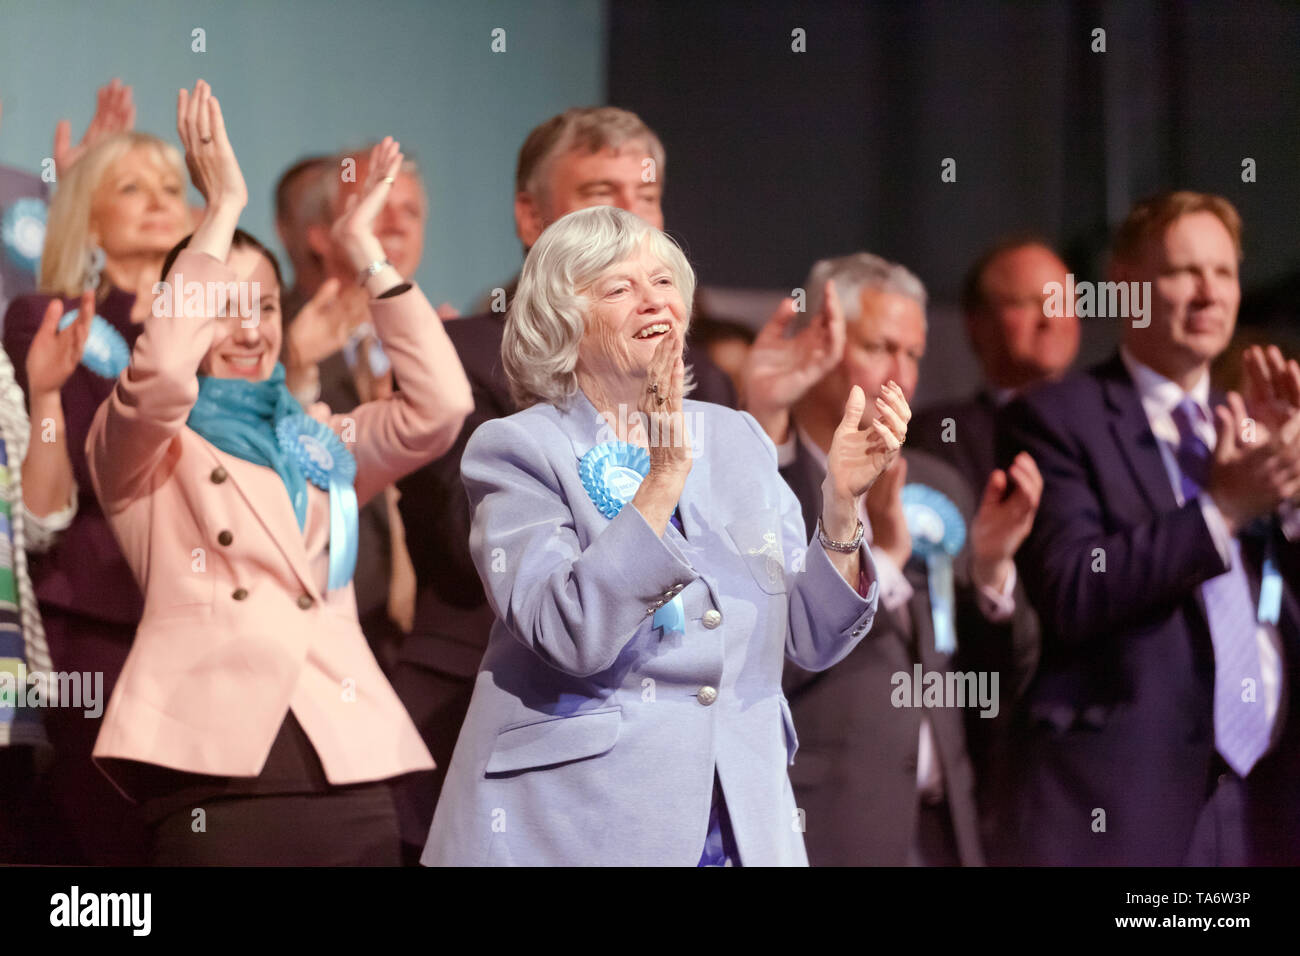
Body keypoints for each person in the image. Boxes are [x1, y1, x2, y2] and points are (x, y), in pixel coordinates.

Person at [422, 205, 905, 866]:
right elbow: (570, 631)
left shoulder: (736, 439)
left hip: (742, 818)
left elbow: (816, 639)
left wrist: (843, 505)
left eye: (664, 283)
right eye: (618, 288)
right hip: (579, 823)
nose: (653, 302)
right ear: (562, 320)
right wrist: (664, 476)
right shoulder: (517, 448)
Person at [85, 81, 472, 865]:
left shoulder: (318, 439)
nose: (249, 327)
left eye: (262, 304)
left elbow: (440, 407)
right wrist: (220, 205)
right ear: (182, 313)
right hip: (215, 772)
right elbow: (160, 378)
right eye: (223, 305)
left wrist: (366, 251)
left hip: (349, 759)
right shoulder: (144, 446)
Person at [390, 105, 737, 861]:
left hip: (678, 765)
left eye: (642, 195)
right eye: (597, 190)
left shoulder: (703, 381)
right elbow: (461, 546)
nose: (623, 213)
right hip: (506, 719)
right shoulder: (466, 354)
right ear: (529, 213)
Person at [999, 191, 1300, 865]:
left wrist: (1292, 499)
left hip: (1261, 805)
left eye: (1223, 273)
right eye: (1182, 272)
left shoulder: (1252, 428)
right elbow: (1073, 589)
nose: (1208, 293)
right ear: (1126, 287)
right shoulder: (1056, 416)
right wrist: (1222, 510)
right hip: (1126, 804)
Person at [744, 252, 1041, 865]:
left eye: (913, 353)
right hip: (825, 823)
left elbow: (1002, 676)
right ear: (821, 343)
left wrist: (990, 576)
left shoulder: (937, 480)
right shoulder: (764, 485)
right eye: (880, 347)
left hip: (943, 829)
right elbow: (759, 664)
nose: (900, 375)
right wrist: (874, 552)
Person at [3, 117, 191, 863]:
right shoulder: (47, 318)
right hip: (93, 623)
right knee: (96, 850)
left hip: (193, 623)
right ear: (87, 211)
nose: (158, 201)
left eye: (173, 189)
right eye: (131, 187)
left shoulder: (212, 330)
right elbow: (79, 464)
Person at [910, 237, 1076, 487]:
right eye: (1025, 302)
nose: (1049, 320)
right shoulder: (940, 436)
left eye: (1061, 302)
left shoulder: (1117, 427)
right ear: (976, 323)